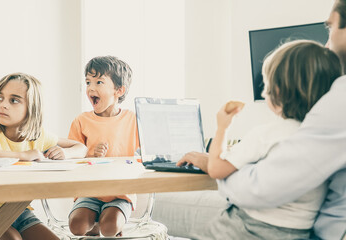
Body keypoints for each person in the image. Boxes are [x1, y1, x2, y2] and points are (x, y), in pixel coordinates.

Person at [179, 0, 346, 239]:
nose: (327, 43)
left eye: (330, 28)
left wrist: (222, 127)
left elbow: (220, 170)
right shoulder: (314, 128)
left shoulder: (268, 133)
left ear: (275, 92)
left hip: (248, 228)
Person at [0, 72, 88, 240]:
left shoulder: (38, 136)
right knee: (13, 238)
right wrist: (21, 155)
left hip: (18, 211)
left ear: (32, 107)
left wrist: (65, 152)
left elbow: (81, 147)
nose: (3, 105)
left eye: (14, 100)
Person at [68, 56, 139, 237]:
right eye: (88, 82)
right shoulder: (81, 121)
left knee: (110, 227)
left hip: (120, 192)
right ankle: (97, 226)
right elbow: (71, 160)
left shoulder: (133, 120)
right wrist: (91, 156)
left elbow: (144, 156)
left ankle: (108, 226)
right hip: (90, 190)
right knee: (76, 226)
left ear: (119, 90)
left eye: (99, 82)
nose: (91, 87)